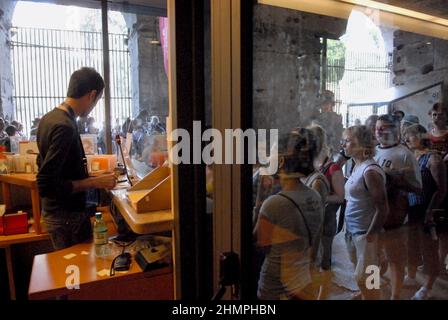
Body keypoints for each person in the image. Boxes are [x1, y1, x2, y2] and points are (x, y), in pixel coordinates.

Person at [36, 67, 117, 250]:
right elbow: (46, 183)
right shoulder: (64, 126)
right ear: (92, 94)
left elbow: (51, 167)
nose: (94, 105)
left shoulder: (49, 119)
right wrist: (94, 183)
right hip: (66, 217)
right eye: (97, 100)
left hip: (57, 214)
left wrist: (96, 177)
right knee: (76, 274)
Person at [254, 127, 324, 300]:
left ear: (282, 161)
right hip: (302, 280)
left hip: (275, 285)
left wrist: (259, 201)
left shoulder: (274, 203)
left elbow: (261, 245)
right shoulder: (314, 195)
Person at [375, 114, 422, 300]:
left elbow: (418, 189)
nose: (379, 131)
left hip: (394, 217)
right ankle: (374, 292)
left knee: (395, 259)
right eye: (377, 127)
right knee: (373, 259)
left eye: (384, 127)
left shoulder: (405, 154)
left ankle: (395, 296)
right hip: (371, 217)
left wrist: (400, 181)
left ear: (394, 130)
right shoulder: (370, 152)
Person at [342, 125, 388, 300]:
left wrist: (371, 234)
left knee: (370, 278)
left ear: (361, 144)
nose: (344, 145)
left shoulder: (370, 171)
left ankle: (372, 296)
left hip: (365, 232)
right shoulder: (356, 165)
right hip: (354, 230)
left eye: (348, 141)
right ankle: (365, 294)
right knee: (360, 274)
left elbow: (383, 207)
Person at [403, 124, 446, 300]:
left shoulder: (433, 159)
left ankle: (426, 288)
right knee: (411, 246)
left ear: (421, 137)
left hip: (427, 210)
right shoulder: (411, 157)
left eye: (410, 136)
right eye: (405, 136)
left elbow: (442, 189)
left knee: (429, 251)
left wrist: (430, 211)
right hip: (412, 210)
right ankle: (412, 276)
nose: (407, 139)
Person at [314, 90, 343, 157]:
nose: (325, 106)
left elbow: (339, 135)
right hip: (320, 151)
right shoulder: (317, 119)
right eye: (323, 104)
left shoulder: (337, 118)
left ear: (332, 104)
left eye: (327, 103)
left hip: (334, 151)